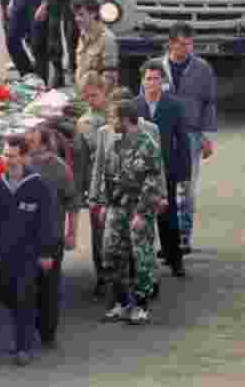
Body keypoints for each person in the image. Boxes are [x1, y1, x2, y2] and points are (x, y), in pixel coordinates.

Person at [89, 98, 167, 326]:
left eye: (114, 118)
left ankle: (141, 306)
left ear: (125, 119)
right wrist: (104, 203)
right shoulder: (116, 143)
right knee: (111, 253)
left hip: (138, 209)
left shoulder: (148, 145)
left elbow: (153, 182)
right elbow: (108, 174)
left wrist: (142, 214)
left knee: (141, 256)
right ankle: (120, 303)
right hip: (117, 206)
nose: (111, 122)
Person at [0, 135, 57, 366]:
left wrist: (46, 252)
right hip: (6, 254)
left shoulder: (38, 186)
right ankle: (30, 325)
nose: (8, 160)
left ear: (24, 157)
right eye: (5, 155)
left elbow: (46, 221)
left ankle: (22, 347)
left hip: (30, 254)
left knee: (23, 297)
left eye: (13, 156)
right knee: (9, 296)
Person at [157, 22, 216, 254]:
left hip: (190, 134)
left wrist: (206, 136)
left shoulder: (203, 68)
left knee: (187, 190)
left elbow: (209, 102)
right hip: (162, 135)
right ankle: (166, 240)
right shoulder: (155, 68)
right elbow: (145, 101)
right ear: (171, 44)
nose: (187, 48)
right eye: (182, 44)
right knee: (162, 189)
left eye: (190, 44)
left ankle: (184, 237)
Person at [136, 60, 190, 278]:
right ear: (142, 81)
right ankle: (143, 261)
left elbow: (183, 141)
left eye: (156, 79)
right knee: (142, 216)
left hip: (165, 169)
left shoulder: (174, 106)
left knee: (168, 217)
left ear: (162, 82)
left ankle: (175, 258)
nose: (152, 83)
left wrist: (184, 173)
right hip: (139, 171)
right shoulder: (134, 106)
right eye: (148, 79)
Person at [26, 127, 79, 348]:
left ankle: (48, 334)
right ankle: (29, 331)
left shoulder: (59, 169)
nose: (28, 141)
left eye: (33, 139)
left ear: (45, 144)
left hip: (51, 239)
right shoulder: (24, 165)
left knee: (49, 287)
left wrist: (71, 234)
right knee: (27, 287)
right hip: (26, 239)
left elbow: (72, 203)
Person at [73, 69, 110, 297]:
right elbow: (81, 160)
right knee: (98, 233)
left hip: (120, 182)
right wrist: (82, 190)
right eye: (86, 97)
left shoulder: (117, 114)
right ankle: (102, 277)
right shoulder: (83, 123)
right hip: (97, 185)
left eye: (94, 95)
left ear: (103, 91)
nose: (90, 100)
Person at [73, 0, 119, 87]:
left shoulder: (107, 39)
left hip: (98, 97)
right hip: (82, 95)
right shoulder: (82, 35)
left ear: (93, 14)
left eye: (81, 14)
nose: (77, 19)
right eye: (76, 15)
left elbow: (110, 78)